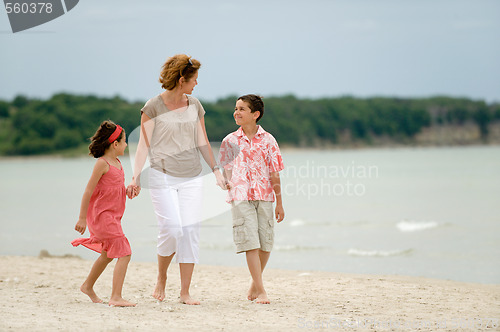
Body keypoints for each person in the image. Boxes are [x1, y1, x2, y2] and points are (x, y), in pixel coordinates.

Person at [127, 54, 226, 305]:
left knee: (190, 230)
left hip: (192, 176)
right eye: (194, 80)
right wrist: (135, 177)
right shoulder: (153, 107)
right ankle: (161, 278)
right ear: (182, 80)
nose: (196, 84)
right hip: (162, 175)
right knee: (171, 227)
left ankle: (185, 292)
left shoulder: (195, 105)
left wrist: (216, 170)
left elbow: (202, 141)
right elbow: (143, 146)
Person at [219, 94, 285, 304]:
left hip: (265, 196)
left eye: (242, 109)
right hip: (240, 197)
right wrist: (226, 182)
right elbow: (226, 170)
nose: (236, 112)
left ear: (255, 114)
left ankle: (254, 284)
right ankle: (262, 290)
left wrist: (280, 202)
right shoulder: (229, 141)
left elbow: (275, 173)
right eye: (236, 108)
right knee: (251, 243)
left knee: (265, 244)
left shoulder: (269, 140)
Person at [71, 120, 135, 307]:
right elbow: (88, 191)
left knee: (108, 254)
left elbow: (112, 188)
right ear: (115, 144)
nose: (126, 145)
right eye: (124, 142)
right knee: (125, 252)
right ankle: (116, 297)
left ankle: (87, 286)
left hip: (114, 216)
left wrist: (127, 190)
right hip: (102, 217)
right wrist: (82, 218)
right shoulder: (102, 163)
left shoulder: (118, 163)